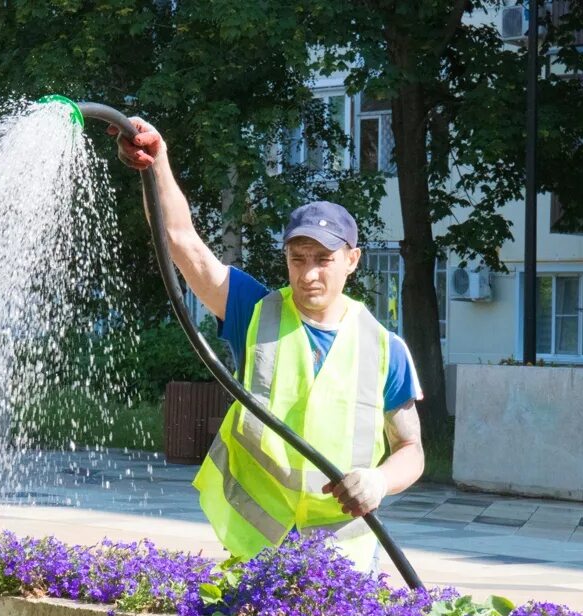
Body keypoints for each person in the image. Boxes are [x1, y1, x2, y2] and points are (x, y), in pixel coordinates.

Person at [113, 118, 425, 574]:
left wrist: (379, 480)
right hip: (255, 537)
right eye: (298, 259)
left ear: (352, 260)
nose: (309, 273)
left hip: (344, 551)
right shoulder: (254, 311)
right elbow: (182, 242)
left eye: (323, 259)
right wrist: (157, 162)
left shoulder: (384, 347)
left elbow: (411, 448)